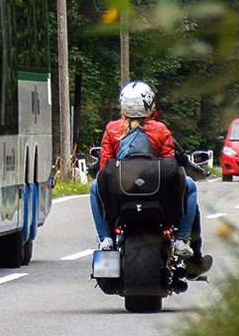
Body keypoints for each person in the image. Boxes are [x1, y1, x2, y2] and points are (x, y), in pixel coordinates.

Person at [89, 81, 207, 272]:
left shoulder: (112, 129)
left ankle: (106, 240)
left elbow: (104, 167)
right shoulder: (160, 129)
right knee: (190, 185)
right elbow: (170, 166)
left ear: (123, 105)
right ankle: (181, 239)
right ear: (149, 104)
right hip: (156, 194)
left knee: (95, 187)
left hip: (121, 194)